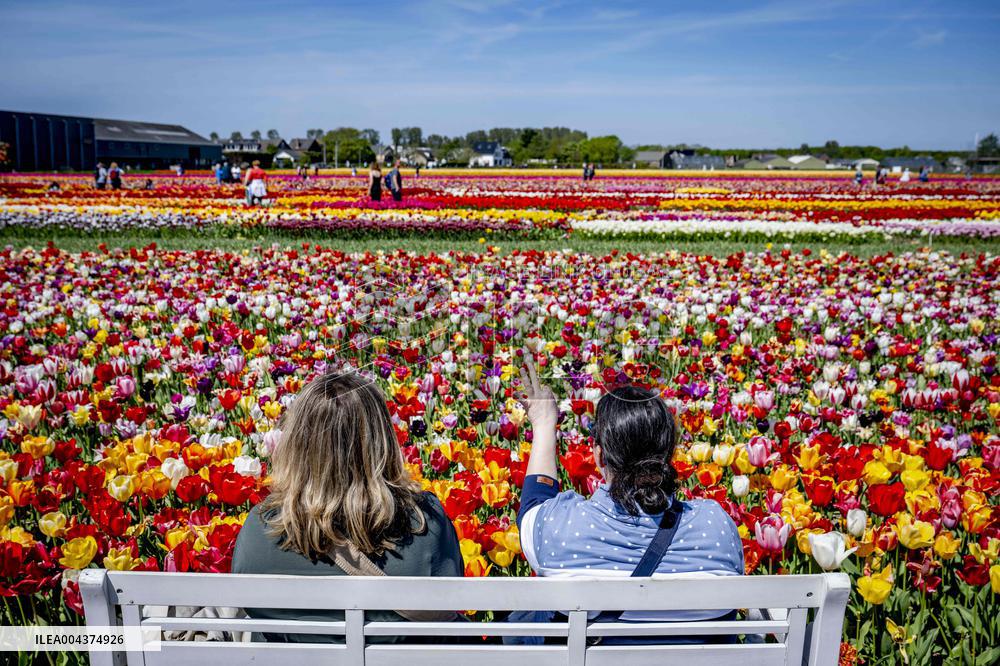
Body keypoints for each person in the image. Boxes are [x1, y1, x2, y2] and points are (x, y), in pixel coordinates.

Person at [512, 355, 743, 644]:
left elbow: (533, 507)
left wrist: (544, 422)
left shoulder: (561, 528)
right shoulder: (716, 526)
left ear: (598, 456)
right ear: (670, 455)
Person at [232, 371, 462, 642]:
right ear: (381, 441)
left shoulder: (262, 528)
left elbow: (250, 605)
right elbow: (449, 604)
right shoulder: (425, 522)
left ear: (296, 442)